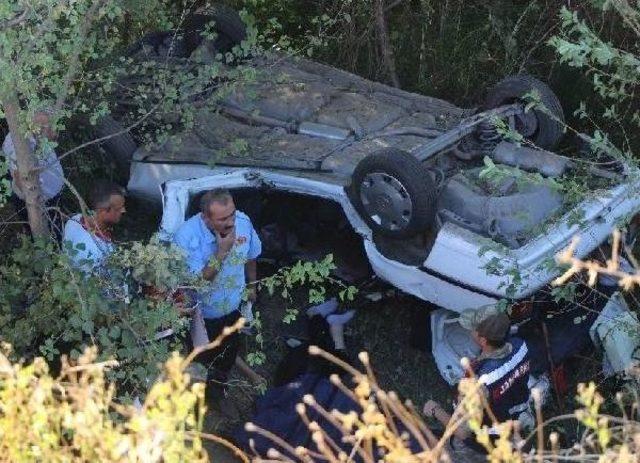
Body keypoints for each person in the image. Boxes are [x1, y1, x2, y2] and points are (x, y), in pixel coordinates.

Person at [172, 189, 263, 414]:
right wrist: (222, 253)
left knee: (228, 354)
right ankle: (198, 403)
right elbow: (197, 282)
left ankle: (217, 393)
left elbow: (252, 254)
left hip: (232, 306)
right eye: (223, 219)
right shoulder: (186, 236)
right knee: (202, 361)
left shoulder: (243, 222)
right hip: (203, 315)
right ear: (206, 217)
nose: (230, 222)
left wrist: (252, 285)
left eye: (232, 214)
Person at [423, 311, 531, 455]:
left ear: (483, 340)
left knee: (456, 448)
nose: (470, 330)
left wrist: (435, 410)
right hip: (513, 416)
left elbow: (463, 432)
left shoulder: (478, 384)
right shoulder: (521, 346)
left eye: (473, 328)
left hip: (487, 435)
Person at [2, 111, 65, 231]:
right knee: (48, 234)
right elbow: (21, 180)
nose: (54, 133)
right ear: (35, 126)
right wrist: (37, 207)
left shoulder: (39, 136)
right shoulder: (17, 145)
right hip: (40, 205)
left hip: (53, 198)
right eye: (48, 127)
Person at [62, 180, 126, 274]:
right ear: (102, 212)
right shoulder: (101, 251)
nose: (123, 211)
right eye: (118, 209)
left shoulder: (73, 220)